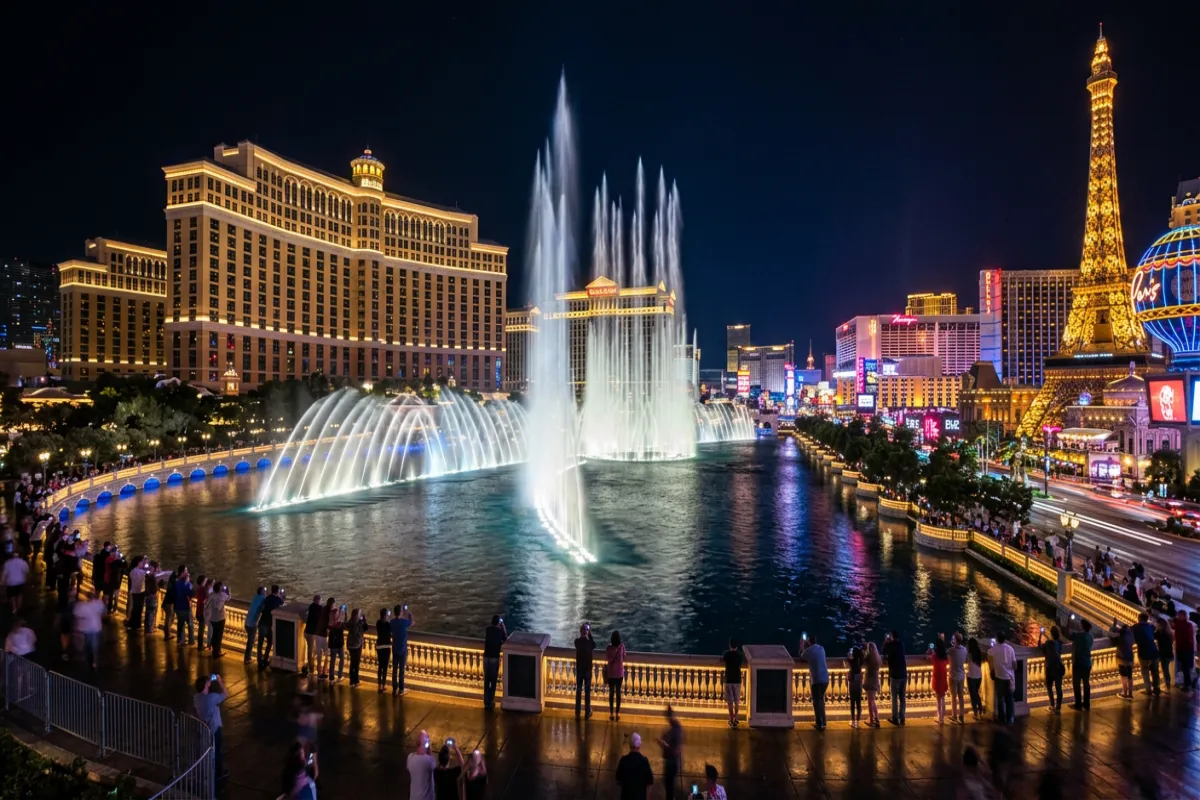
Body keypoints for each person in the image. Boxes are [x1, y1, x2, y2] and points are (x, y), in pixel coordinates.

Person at [194, 674, 227, 783]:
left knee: (208, 752)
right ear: (205, 686)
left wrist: (208, 683)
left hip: (205, 729)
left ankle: (206, 772)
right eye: (207, 684)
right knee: (217, 751)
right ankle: (218, 774)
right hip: (215, 728)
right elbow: (224, 694)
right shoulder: (211, 698)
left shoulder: (196, 698)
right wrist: (220, 681)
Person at [800, 633, 829, 730]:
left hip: (816, 679)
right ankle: (824, 721)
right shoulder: (821, 649)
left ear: (808, 642)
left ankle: (819, 723)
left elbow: (802, 656)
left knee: (817, 702)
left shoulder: (809, 651)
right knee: (821, 700)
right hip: (825, 678)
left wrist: (802, 645)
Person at [615, 733, 653, 800]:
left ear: (630, 745)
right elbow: (650, 781)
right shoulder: (644, 761)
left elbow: (618, 778)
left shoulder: (624, 760)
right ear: (639, 746)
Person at [988, 632, 1016, 724]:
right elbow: (1015, 665)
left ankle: (1002, 718)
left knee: (1000, 699)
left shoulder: (993, 649)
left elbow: (989, 656)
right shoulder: (1010, 649)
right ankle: (1010, 718)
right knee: (1009, 699)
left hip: (999, 677)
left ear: (997, 639)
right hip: (1008, 677)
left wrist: (992, 668)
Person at [1131, 612, 1161, 696]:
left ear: (1139, 619)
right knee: (1155, 671)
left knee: (1145, 671)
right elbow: (1155, 628)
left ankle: (1148, 690)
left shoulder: (1136, 627)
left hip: (1144, 652)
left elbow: (1127, 632)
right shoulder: (1150, 626)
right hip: (1154, 652)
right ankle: (1157, 688)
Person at [75, 589, 106, 671]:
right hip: (95, 629)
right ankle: (94, 662)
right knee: (94, 647)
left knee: (87, 647)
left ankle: (89, 661)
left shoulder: (81, 605)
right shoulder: (98, 603)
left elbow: (77, 616)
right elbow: (104, 613)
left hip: (85, 630)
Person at [657, 705, 683, 800]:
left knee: (669, 784)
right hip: (671, 761)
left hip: (672, 762)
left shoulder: (675, 729)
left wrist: (663, 744)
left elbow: (675, 750)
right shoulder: (673, 728)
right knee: (668, 784)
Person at [883, 630, 907, 725]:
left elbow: (884, 650)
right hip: (903, 673)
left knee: (894, 697)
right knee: (902, 697)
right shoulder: (901, 644)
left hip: (894, 674)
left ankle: (895, 718)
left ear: (892, 636)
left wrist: (886, 640)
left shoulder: (890, 645)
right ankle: (903, 718)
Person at [483, 615, 507, 709]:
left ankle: (486, 702)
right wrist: (503, 626)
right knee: (493, 681)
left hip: (486, 658)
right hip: (494, 658)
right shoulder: (500, 631)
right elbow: (505, 639)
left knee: (486, 680)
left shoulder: (488, 629)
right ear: (498, 623)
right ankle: (491, 701)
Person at [1038, 626, 1064, 713]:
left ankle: (1052, 705)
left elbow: (1040, 647)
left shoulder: (1048, 643)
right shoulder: (1060, 643)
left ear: (1051, 634)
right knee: (1059, 689)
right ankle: (1058, 708)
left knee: (1049, 687)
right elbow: (1056, 646)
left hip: (1050, 668)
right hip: (1059, 667)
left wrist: (1040, 635)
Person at [258, 585, 284, 668]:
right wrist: (281, 597)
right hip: (269, 625)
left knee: (260, 644)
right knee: (270, 642)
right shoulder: (278, 599)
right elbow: (282, 605)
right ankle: (265, 659)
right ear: (277, 591)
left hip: (262, 623)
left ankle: (260, 661)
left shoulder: (267, 598)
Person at [574, 622, 597, 717]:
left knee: (579, 692)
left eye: (587, 629)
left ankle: (577, 712)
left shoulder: (577, 642)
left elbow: (578, 643)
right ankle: (587, 712)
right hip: (587, 670)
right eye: (586, 629)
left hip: (580, 670)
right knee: (587, 692)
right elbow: (594, 645)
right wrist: (590, 635)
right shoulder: (589, 643)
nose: (586, 631)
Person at [407, 730, 437, 800]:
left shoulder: (410, 757)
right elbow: (433, 764)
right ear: (425, 743)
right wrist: (429, 747)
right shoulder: (429, 760)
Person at [391, 603, 413, 694]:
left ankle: (394, 689)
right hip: (402, 649)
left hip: (395, 649)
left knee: (394, 670)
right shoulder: (404, 622)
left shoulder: (392, 622)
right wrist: (409, 613)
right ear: (400, 612)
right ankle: (401, 689)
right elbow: (411, 622)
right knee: (401, 671)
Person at [1110, 620, 1135, 699]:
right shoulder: (1131, 636)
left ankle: (1124, 693)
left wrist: (1114, 625)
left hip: (1122, 659)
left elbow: (1111, 636)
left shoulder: (1120, 637)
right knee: (1130, 676)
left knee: (1124, 676)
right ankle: (1130, 694)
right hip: (1130, 658)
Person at [721, 637, 742, 728]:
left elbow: (722, 660)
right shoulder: (740, 655)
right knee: (736, 701)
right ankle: (736, 718)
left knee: (730, 702)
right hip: (737, 680)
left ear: (729, 645)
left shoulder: (726, 654)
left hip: (728, 679)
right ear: (737, 646)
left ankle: (731, 719)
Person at [606, 629, 627, 720]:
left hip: (611, 673)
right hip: (619, 673)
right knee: (618, 694)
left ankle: (611, 713)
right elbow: (624, 656)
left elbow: (607, 658)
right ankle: (617, 713)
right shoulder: (622, 647)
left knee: (611, 693)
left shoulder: (608, 648)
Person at [1173, 611, 1196, 691]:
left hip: (1185, 650)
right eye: (1178, 615)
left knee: (1186, 668)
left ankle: (1188, 684)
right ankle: (1188, 683)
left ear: (1184, 616)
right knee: (1184, 668)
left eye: (1179, 616)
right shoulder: (1179, 624)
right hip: (1182, 649)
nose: (1178, 617)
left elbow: (1189, 639)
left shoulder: (1187, 625)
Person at [948, 632, 968, 724]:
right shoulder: (965, 650)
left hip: (953, 676)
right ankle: (961, 715)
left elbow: (943, 654)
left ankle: (954, 715)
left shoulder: (952, 650)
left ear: (955, 640)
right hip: (961, 675)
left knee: (953, 696)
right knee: (961, 696)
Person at [928, 636, 948, 724]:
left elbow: (930, 659)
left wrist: (930, 652)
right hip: (943, 677)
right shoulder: (945, 656)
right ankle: (942, 716)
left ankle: (940, 718)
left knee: (938, 698)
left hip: (937, 677)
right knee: (942, 697)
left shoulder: (935, 656)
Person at [244, 586, 266, 663]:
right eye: (264, 590)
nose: (265, 592)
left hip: (247, 622)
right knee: (251, 641)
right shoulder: (263, 598)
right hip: (252, 624)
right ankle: (247, 658)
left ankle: (247, 657)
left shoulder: (256, 596)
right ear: (262, 592)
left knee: (250, 641)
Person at [205, 581, 228, 657]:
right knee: (219, 636)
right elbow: (219, 606)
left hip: (212, 618)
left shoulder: (211, 595)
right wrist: (228, 592)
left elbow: (206, 605)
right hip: (220, 618)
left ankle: (215, 650)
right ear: (220, 589)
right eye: (222, 587)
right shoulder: (222, 595)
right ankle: (217, 652)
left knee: (215, 635)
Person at [173, 567, 195, 645]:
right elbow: (190, 595)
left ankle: (181, 640)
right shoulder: (188, 585)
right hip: (186, 607)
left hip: (178, 607)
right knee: (190, 624)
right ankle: (191, 641)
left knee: (180, 624)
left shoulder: (176, 583)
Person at [314, 597, 334, 681]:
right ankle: (324, 671)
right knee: (326, 654)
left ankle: (319, 672)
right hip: (323, 635)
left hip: (318, 634)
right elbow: (330, 623)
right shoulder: (330, 612)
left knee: (319, 654)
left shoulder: (323, 609)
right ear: (332, 604)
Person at [346, 608, 367, 687]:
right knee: (356, 663)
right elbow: (365, 628)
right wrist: (364, 620)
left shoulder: (350, 622)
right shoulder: (358, 623)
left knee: (352, 663)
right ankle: (356, 681)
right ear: (357, 615)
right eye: (360, 614)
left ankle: (352, 681)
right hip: (357, 645)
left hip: (350, 645)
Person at [126, 557, 148, 629]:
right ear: (138, 563)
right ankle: (136, 624)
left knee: (135, 608)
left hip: (134, 592)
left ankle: (133, 623)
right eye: (141, 562)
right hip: (140, 592)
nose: (143, 564)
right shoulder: (141, 572)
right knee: (139, 609)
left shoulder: (132, 571)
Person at [863, 641, 881, 728]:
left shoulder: (868, 658)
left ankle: (872, 719)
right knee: (872, 701)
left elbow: (863, 660)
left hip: (869, 682)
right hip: (875, 681)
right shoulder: (877, 659)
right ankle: (876, 718)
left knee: (870, 702)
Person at [304, 595, 322, 677]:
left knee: (310, 649)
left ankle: (311, 665)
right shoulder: (319, 608)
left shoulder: (311, 606)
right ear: (317, 600)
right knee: (312, 650)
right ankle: (311, 667)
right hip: (312, 632)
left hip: (307, 631)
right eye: (320, 600)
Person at [327, 604, 346, 682]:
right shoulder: (339, 624)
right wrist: (343, 614)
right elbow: (345, 625)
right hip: (339, 644)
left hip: (332, 644)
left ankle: (331, 678)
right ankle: (339, 676)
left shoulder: (330, 624)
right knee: (341, 660)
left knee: (332, 661)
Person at [1155, 618, 1174, 693]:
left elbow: (1154, 636)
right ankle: (1168, 683)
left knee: (1165, 670)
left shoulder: (1160, 632)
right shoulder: (1169, 632)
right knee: (1167, 669)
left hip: (1163, 654)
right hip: (1169, 653)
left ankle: (1167, 684)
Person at [846, 646, 864, 728]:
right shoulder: (860, 663)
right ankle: (858, 720)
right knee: (858, 702)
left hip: (853, 681)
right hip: (858, 682)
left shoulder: (852, 661)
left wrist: (849, 652)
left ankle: (853, 720)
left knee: (852, 702)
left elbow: (847, 658)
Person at [376, 608, 392, 693]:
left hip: (379, 647)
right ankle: (384, 684)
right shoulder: (388, 624)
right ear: (385, 615)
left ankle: (379, 685)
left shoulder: (378, 623)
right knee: (385, 667)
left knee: (380, 666)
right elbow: (390, 633)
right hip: (386, 647)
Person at [194, 576, 211, 650]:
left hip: (199, 611)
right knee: (201, 630)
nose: (206, 582)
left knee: (201, 629)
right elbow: (205, 600)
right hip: (202, 612)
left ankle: (200, 645)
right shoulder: (203, 590)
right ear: (203, 581)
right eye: (206, 581)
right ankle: (200, 646)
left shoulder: (199, 589)